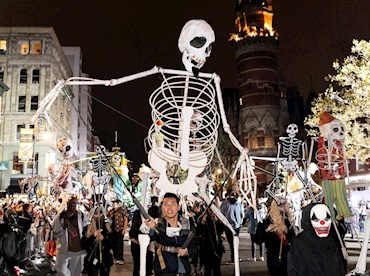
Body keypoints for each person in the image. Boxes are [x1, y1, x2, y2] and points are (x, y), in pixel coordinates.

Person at [145, 192, 196, 276]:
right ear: (162, 207)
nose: (169, 207)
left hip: (184, 271)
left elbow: (194, 249)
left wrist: (187, 252)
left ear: (178, 207)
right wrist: (152, 227)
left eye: (172, 204)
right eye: (166, 204)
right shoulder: (158, 225)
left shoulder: (186, 225)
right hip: (164, 271)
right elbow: (152, 237)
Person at [287, 203, 346, 276]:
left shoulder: (331, 241)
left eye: (327, 219)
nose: (322, 223)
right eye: (316, 219)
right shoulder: (298, 243)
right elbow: (293, 270)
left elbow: (339, 268)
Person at [53, 196, 88, 276]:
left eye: (74, 203)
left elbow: (86, 229)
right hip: (64, 251)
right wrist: (63, 228)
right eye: (71, 203)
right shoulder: (60, 217)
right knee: (61, 272)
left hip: (79, 251)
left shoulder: (81, 215)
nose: (72, 205)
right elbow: (55, 234)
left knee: (77, 273)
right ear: (67, 203)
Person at [81, 207, 114, 276]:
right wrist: (92, 236)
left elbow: (113, 244)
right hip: (92, 258)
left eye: (101, 213)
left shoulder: (108, 228)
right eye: (95, 213)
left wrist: (103, 239)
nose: (98, 216)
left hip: (105, 259)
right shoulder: (87, 228)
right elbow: (83, 244)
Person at [220, 190, 244, 264]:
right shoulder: (238, 204)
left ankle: (234, 258)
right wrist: (240, 222)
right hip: (237, 226)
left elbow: (221, 214)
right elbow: (242, 214)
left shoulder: (225, 203)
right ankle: (236, 257)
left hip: (228, 226)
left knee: (231, 243)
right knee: (236, 242)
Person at [200, 207, 225, 276]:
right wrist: (202, 222)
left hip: (217, 247)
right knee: (207, 269)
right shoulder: (204, 219)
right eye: (210, 210)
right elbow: (198, 231)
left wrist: (216, 221)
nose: (211, 212)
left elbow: (221, 230)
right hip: (206, 248)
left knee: (217, 269)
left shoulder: (219, 219)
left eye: (213, 210)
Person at [107, 199, 128, 265]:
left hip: (120, 229)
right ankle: (116, 257)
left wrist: (124, 229)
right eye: (113, 204)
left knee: (119, 244)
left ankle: (120, 258)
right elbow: (107, 216)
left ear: (118, 204)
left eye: (115, 204)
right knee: (114, 244)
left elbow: (126, 219)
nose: (114, 205)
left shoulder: (122, 210)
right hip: (113, 230)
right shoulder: (112, 211)